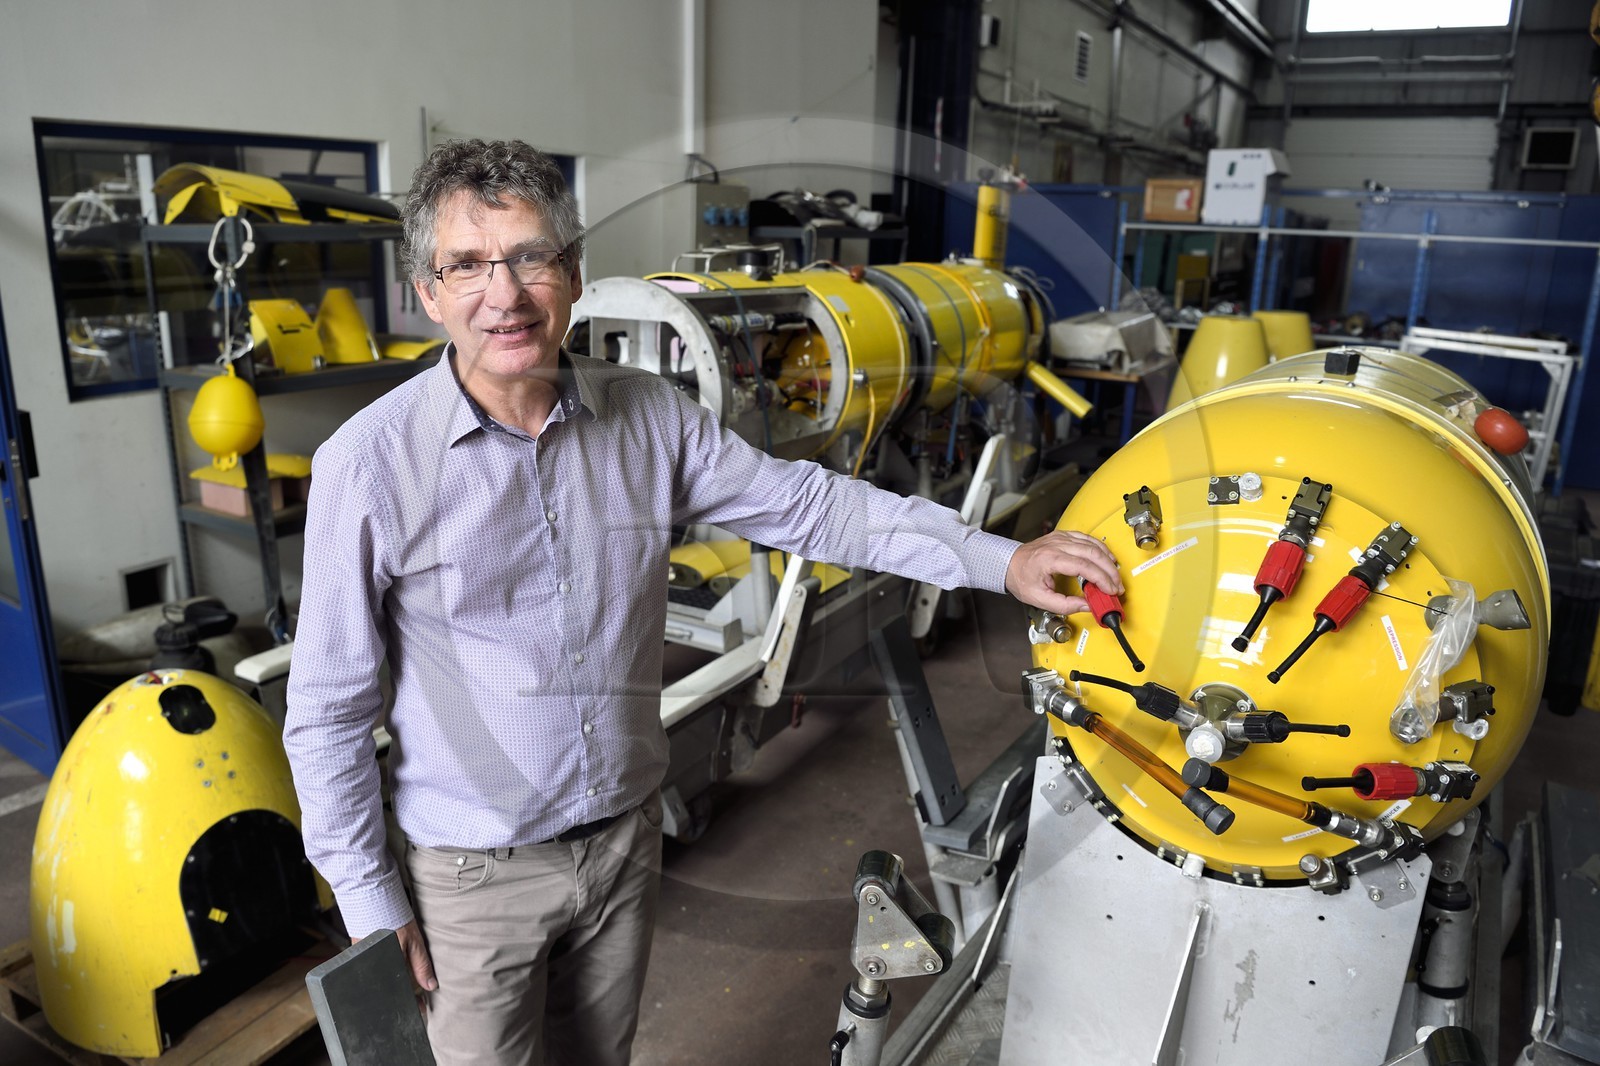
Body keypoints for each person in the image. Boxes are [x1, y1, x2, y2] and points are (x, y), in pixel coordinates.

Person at [283, 139, 1120, 1066]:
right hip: (474, 881)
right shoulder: (368, 466)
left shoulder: (647, 416)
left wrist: (998, 558)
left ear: (574, 271)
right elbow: (326, 715)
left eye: (531, 257)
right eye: (468, 265)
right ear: (428, 292)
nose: (505, 293)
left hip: (624, 845)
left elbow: (810, 505)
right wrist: (371, 904)